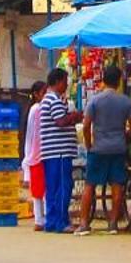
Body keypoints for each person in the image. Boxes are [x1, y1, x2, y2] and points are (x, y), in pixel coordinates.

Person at [79, 63, 131, 234]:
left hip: (98, 149)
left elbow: (86, 125)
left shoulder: (95, 100)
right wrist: (124, 136)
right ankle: (113, 223)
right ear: (119, 82)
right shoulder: (126, 102)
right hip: (118, 149)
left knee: (90, 185)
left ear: (103, 80)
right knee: (117, 185)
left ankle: (83, 223)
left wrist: (89, 144)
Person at [33, 69, 82, 234]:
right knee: (63, 187)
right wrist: (75, 116)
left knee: (53, 188)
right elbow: (61, 121)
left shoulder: (49, 100)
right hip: (59, 152)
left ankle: (52, 222)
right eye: (65, 81)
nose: (67, 84)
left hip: (52, 152)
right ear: (58, 81)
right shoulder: (53, 100)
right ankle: (61, 222)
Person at [21, 79, 48, 229]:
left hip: (38, 153)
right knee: (40, 190)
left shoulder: (36, 109)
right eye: (44, 92)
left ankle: (40, 219)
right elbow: (31, 136)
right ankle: (40, 219)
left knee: (40, 190)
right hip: (37, 154)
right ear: (36, 94)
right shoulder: (37, 109)